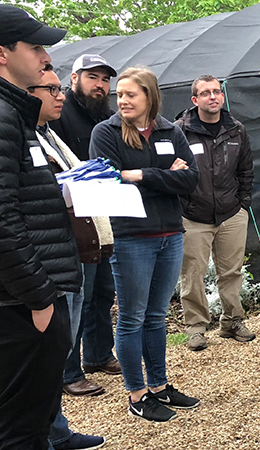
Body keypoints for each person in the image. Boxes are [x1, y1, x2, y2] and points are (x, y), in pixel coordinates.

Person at [89, 67, 201, 422]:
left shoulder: (170, 129)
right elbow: (108, 180)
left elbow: (192, 179)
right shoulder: (105, 133)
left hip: (169, 233)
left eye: (130, 94)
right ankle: (137, 395)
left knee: (156, 316)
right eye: (119, 95)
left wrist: (139, 175)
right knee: (132, 318)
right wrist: (167, 174)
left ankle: (158, 386)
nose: (122, 100)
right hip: (131, 237)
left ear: (149, 96)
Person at [0, 7, 80, 449]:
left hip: (27, 296)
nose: (45, 55)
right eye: (34, 47)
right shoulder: (4, 115)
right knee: (21, 430)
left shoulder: (17, 113)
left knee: (31, 418)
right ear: (3, 54)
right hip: (21, 303)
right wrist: (39, 298)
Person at [30, 66, 108, 450]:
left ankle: (55, 429)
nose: (59, 96)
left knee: (61, 343)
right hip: (48, 259)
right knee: (46, 354)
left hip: (71, 248)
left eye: (60, 89)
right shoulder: (24, 136)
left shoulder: (48, 135)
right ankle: (46, 432)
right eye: (50, 89)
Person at [49, 54, 121, 398]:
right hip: (73, 220)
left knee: (103, 291)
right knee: (79, 294)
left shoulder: (105, 117)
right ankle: (69, 370)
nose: (100, 86)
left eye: (105, 80)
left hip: (101, 216)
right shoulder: (60, 115)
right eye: (93, 77)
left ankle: (98, 353)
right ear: (74, 78)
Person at [176, 75, 255, 351]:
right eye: (206, 93)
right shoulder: (180, 131)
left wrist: (243, 202)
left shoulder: (236, 130)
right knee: (193, 274)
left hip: (231, 213)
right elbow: (170, 171)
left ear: (222, 97)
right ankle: (196, 328)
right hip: (193, 215)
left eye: (217, 92)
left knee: (231, 271)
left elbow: (246, 169)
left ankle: (232, 321)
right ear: (195, 100)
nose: (213, 97)